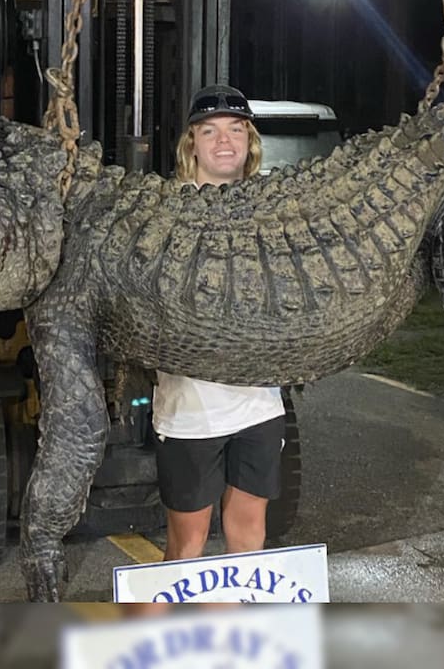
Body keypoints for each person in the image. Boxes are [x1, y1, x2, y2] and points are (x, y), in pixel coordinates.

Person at [152, 84, 287, 562]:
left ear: (249, 141)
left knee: (250, 532)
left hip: (259, 405)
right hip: (192, 409)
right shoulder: (165, 212)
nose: (224, 141)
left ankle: (235, 631)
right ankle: (177, 635)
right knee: (187, 542)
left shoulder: (271, 210)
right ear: (192, 143)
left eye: (235, 129)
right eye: (210, 131)